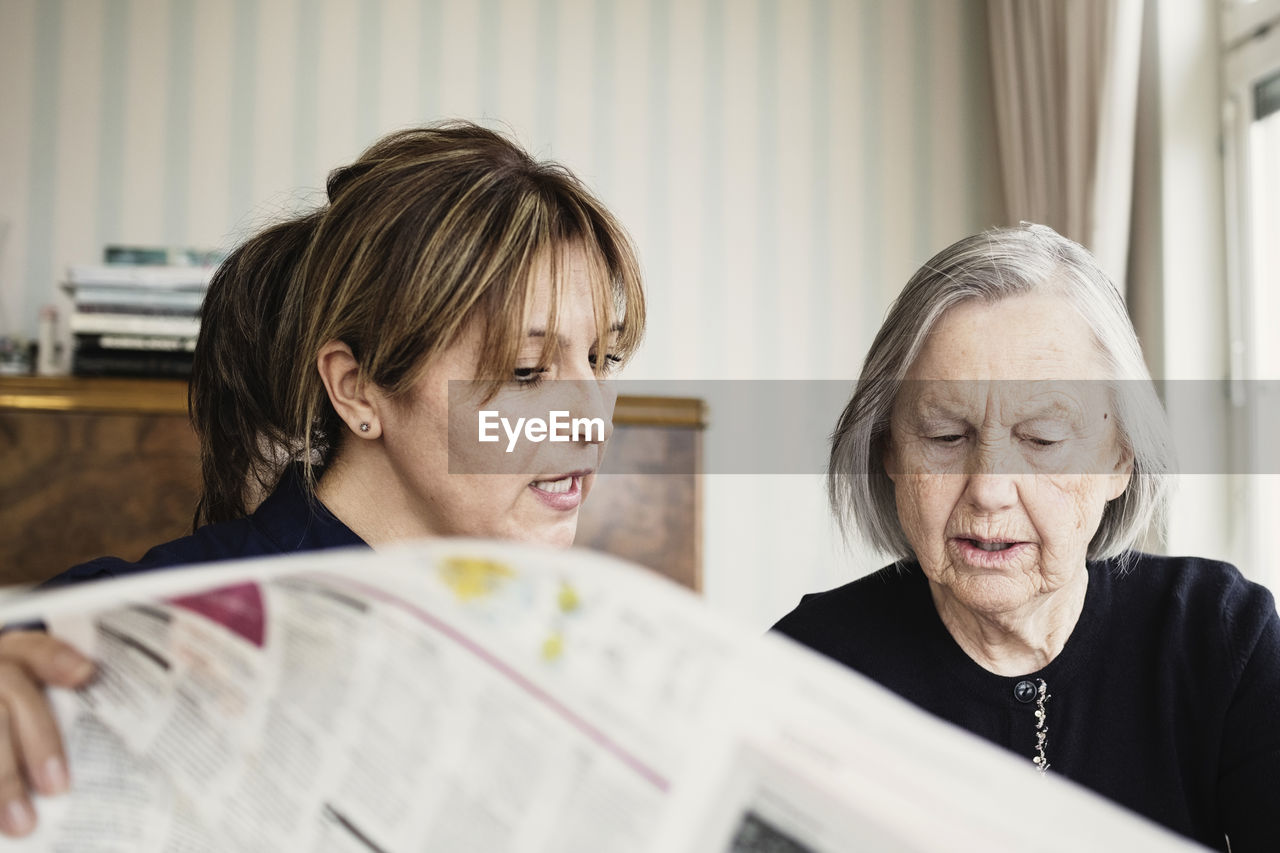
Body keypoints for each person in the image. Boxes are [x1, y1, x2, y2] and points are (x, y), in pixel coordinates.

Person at [0, 121, 645, 837]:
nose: (591, 420)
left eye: (603, 359)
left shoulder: (567, 646)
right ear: (359, 390)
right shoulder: (110, 630)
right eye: (527, 372)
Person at [773, 223, 1279, 851]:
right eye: (944, 437)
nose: (989, 488)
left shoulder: (1221, 636)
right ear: (889, 453)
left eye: (1041, 440)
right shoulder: (808, 669)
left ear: (1120, 459)